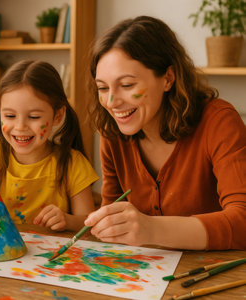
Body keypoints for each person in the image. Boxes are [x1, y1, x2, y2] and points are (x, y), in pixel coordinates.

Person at [84, 16, 246, 250]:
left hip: (214, 276)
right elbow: (112, 214)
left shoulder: (219, 122)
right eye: (102, 87)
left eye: (127, 85)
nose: (111, 102)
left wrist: (151, 228)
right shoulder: (113, 133)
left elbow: (242, 221)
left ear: (168, 78)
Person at [0, 60, 98, 231]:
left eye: (33, 117)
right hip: (1, 252)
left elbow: (89, 223)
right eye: (10, 116)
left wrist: (68, 221)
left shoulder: (72, 163)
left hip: (51, 253)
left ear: (57, 116)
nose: (20, 127)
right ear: (0, 112)